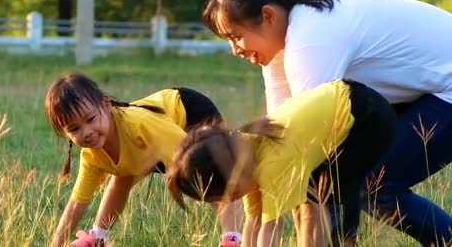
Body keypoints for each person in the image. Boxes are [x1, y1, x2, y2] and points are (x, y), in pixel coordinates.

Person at [201, 0, 452, 246]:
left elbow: (312, 150)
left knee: (374, 185)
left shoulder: (311, 36)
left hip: (447, 90)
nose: (235, 50)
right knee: (340, 179)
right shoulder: (282, 41)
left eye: (236, 37)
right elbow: (280, 135)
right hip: (425, 90)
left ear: (267, 15)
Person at [167, 79, 396, 246]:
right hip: (340, 103)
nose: (235, 200)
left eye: (232, 195)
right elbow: (253, 220)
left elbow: (271, 228)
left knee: (324, 199)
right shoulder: (244, 150)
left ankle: (343, 240)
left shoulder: (273, 163)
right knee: (309, 197)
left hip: (366, 117)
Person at [46, 72, 243, 247]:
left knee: (207, 176)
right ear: (65, 133)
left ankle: (233, 238)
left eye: (90, 120)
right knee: (121, 177)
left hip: (189, 115)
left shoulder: (140, 126)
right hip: (147, 147)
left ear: (106, 105)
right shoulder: (91, 156)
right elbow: (76, 204)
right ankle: (98, 238)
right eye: (74, 129)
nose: (86, 132)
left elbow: (191, 160)